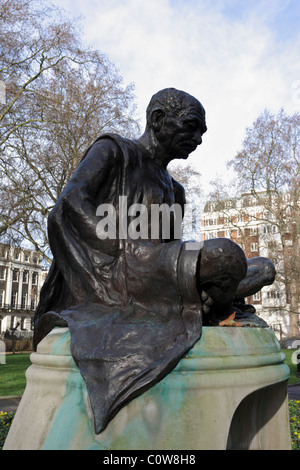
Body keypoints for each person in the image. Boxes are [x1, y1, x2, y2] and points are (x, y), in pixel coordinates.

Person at [34, 88, 274, 433]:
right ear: (158, 120)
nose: (198, 139)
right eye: (191, 127)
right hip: (118, 267)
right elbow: (70, 204)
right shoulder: (114, 150)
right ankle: (208, 303)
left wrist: (178, 267)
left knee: (262, 267)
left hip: (159, 267)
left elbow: (173, 246)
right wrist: (121, 252)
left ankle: (202, 300)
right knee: (225, 255)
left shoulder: (175, 191)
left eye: (202, 133)